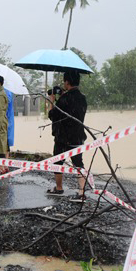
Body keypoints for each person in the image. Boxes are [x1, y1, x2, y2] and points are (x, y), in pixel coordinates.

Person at [47, 70, 88, 202]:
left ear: (67, 82)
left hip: (62, 137)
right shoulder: (83, 98)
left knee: (58, 162)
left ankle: (59, 188)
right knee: (78, 162)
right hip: (78, 135)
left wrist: (52, 101)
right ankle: (82, 191)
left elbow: (53, 116)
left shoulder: (64, 99)